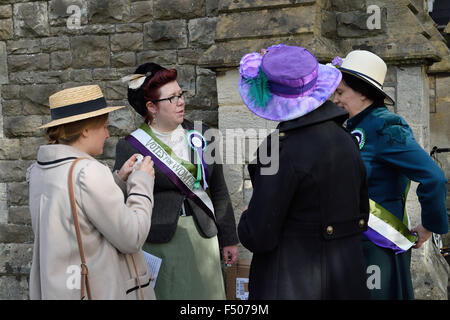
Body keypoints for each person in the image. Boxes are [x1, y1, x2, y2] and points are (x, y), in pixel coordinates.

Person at [237, 44, 370, 299]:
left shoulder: (280, 148)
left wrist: (247, 218)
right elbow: (361, 212)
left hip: (294, 284)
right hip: (346, 281)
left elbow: (259, 235)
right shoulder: (346, 138)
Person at [114, 63, 239, 299]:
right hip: (160, 241)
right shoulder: (131, 146)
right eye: (171, 98)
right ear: (152, 107)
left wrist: (229, 239)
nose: (181, 101)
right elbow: (121, 202)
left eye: (180, 94)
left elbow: (219, 190)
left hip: (204, 235)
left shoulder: (203, 135)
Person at [331, 50, 449, 299]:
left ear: (363, 92)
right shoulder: (352, 125)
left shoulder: (386, 125)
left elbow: (434, 178)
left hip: (379, 244)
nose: (335, 99)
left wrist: (429, 225)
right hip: (352, 243)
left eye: (340, 92)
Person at [27, 85, 156, 300]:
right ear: (85, 130)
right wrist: (142, 182)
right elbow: (132, 237)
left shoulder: (40, 170)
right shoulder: (89, 172)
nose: (107, 134)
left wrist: (118, 180)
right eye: (104, 126)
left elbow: (77, 211)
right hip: (95, 291)